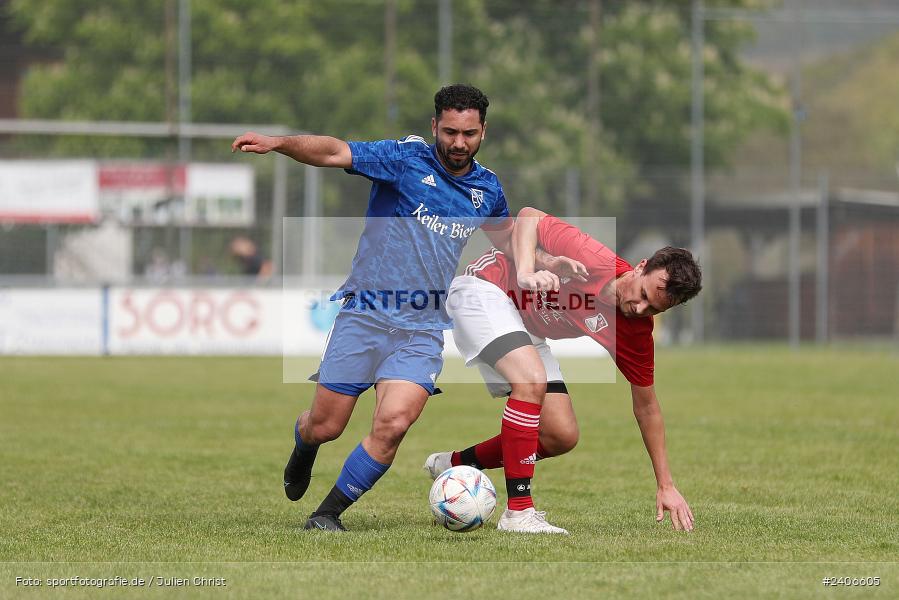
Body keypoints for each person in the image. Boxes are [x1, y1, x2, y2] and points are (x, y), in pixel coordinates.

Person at [231, 85, 547, 532]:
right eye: (450, 132)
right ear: (434, 125)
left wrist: (549, 263)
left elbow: (509, 242)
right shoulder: (404, 159)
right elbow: (334, 152)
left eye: (469, 134)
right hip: (365, 315)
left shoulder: (487, 188)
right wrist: (278, 143)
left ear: (483, 132)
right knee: (326, 426)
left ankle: (326, 515)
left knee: (394, 423)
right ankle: (304, 442)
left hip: (422, 329)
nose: (459, 143)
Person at [424, 206, 702, 534]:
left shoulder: (635, 331)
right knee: (531, 381)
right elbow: (528, 216)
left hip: (524, 327)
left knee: (560, 434)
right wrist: (525, 272)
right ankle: (519, 513)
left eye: (653, 308)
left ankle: (453, 464)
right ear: (641, 267)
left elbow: (647, 407)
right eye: (643, 294)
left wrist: (666, 484)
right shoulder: (592, 258)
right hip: (486, 288)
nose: (639, 308)